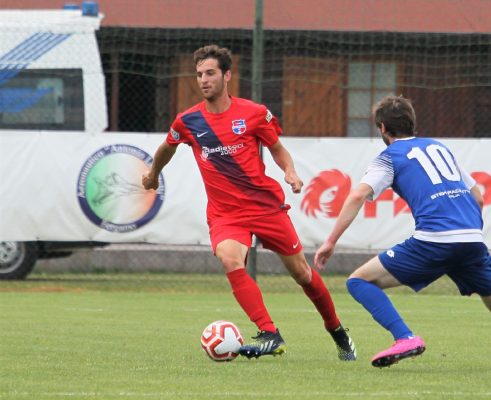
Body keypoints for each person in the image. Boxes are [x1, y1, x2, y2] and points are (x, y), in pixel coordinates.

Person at [314, 95, 491, 372]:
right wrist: (467, 232)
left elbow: (358, 195)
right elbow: (478, 197)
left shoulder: (389, 157)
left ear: (382, 128)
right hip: (472, 240)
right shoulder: (439, 147)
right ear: (412, 123)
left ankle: (405, 337)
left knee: (358, 282)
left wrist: (331, 241)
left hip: (434, 241)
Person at [142, 44, 356, 361]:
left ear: (227, 75)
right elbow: (166, 148)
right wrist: (153, 173)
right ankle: (270, 333)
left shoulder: (253, 114)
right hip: (226, 215)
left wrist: (291, 172)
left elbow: (277, 148)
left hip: (265, 207)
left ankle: (337, 331)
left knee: (303, 275)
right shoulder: (188, 121)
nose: (203, 80)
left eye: (210, 73)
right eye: (199, 74)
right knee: (230, 258)